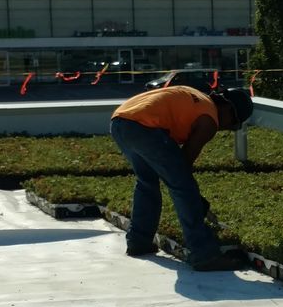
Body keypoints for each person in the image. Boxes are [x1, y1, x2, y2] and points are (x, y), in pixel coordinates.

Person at [108, 84, 253, 270]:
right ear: (228, 109)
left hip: (121, 121)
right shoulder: (209, 119)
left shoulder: (196, 96)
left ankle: (139, 241)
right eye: (231, 123)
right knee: (183, 187)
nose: (225, 128)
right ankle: (204, 254)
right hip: (145, 128)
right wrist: (196, 202)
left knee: (147, 182)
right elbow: (183, 167)